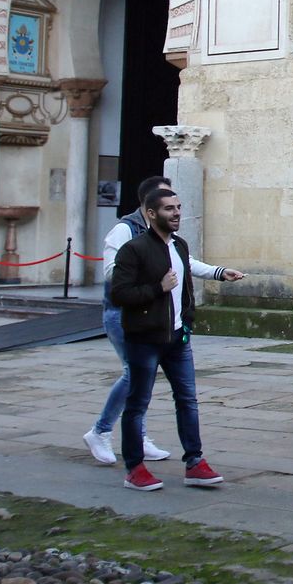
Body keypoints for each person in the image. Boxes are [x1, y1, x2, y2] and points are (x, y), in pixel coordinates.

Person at [109, 187, 243, 491]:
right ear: (152, 214)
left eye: (179, 207)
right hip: (144, 339)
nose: (177, 213)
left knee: (188, 401)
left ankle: (195, 462)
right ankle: (135, 468)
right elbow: (120, 294)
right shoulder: (134, 249)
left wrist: (190, 317)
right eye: (169, 209)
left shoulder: (180, 246)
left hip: (178, 339)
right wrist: (158, 288)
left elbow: (186, 284)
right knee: (137, 404)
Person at [82, 175, 182, 466]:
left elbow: (183, 263)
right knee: (134, 374)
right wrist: (153, 276)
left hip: (149, 315)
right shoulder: (124, 231)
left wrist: (217, 272)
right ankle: (100, 431)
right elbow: (113, 275)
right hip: (122, 314)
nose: (173, 208)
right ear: (148, 206)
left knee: (142, 376)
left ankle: (137, 436)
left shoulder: (161, 233)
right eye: (166, 201)